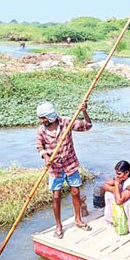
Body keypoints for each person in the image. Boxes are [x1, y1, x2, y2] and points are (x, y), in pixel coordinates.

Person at [36, 101, 92, 238]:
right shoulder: (41, 130)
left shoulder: (66, 122)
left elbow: (87, 126)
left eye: (44, 118)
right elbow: (39, 146)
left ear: (50, 116)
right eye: (41, 118)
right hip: (55, 168)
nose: (42, 121)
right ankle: (59, 226)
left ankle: (78, 220)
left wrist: (84, 111)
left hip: (70, 164)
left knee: (75, 191)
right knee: (56, 196)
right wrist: (45, 157)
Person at [102, 160, 130, 233]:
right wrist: (114, 189)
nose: (117, 176)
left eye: (119, 174)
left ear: (127, 173)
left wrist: (117, 185)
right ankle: (113, 220)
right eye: (116, 174)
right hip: (124, 200)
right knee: (108, 194)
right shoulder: (121, 178)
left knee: (127, 201)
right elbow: (104, 185)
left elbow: (119, 201)